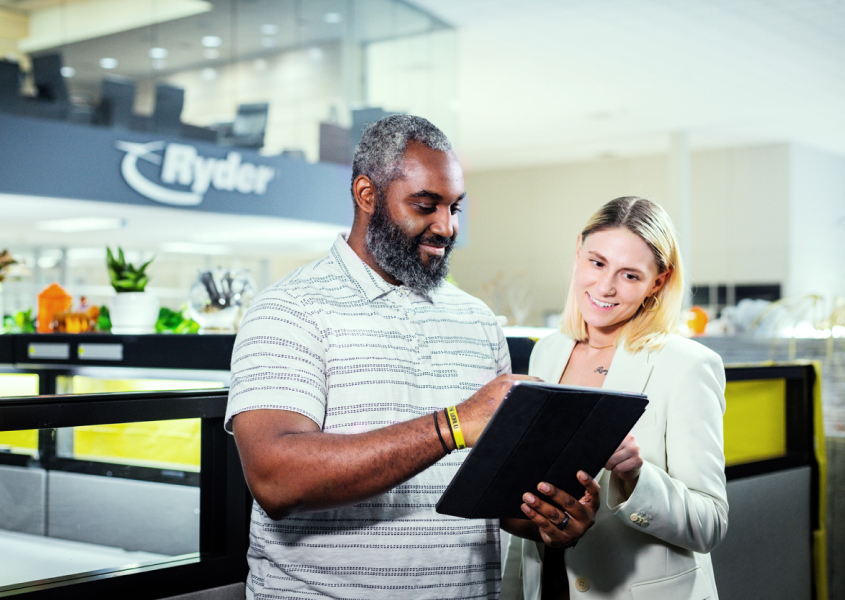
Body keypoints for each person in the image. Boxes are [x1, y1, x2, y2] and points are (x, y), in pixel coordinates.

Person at [225, 114, 601, 599]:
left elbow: (498, 499)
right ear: (366, 194)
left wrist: (550, 519)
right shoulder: (287, 310)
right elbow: (276, 479)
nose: (446, 227)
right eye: (425, 206)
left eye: (455, 208)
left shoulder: (479, 321)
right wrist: (451, 425)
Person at [502, 196, 728, 600]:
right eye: (597, 262)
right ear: (578, 252)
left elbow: (709, 523)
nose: (604, 287)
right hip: (549, 583)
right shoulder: (548, 352)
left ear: (658, 282)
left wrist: (636, 476)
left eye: (630, 275)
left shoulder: (687, 366)